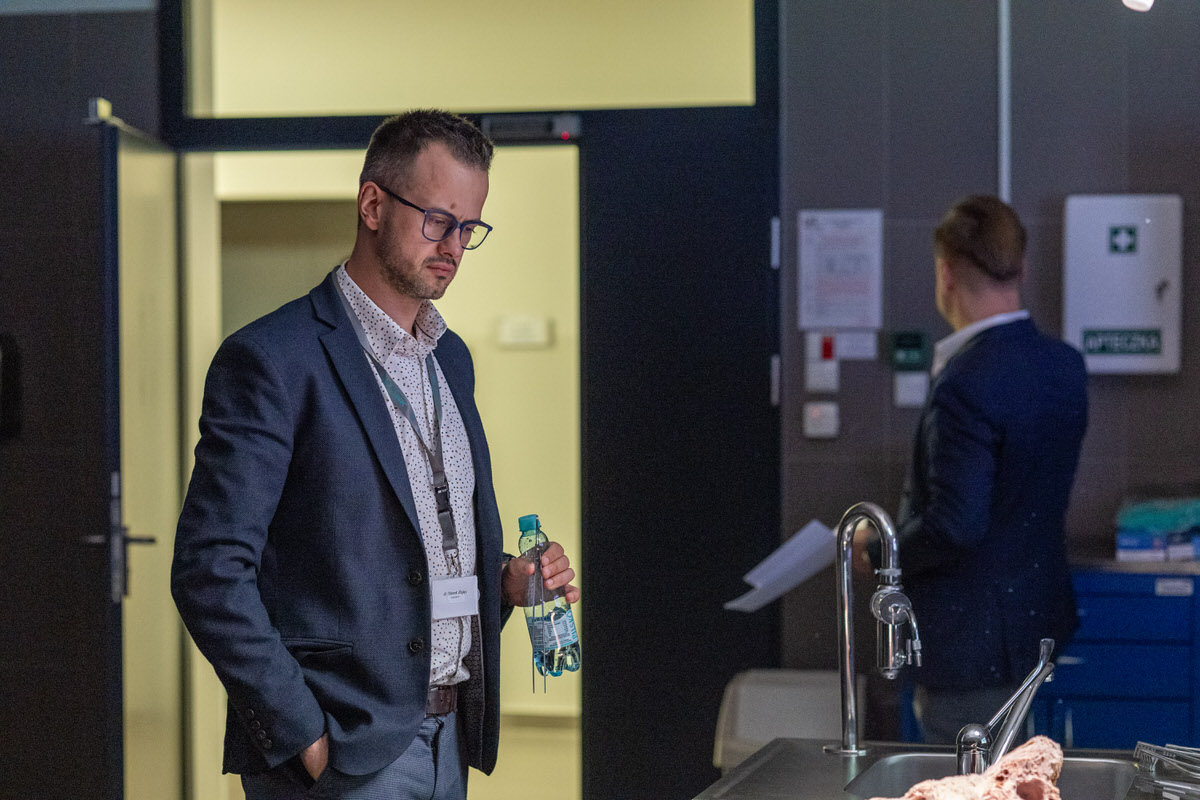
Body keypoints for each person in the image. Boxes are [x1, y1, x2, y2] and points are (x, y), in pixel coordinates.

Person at [171, 109, 579, 800]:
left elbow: (413, 554)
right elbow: (209, 570)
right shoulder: (272, 359)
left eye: (469, 228)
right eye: (438, 220)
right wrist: (303, 735)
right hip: (341, 750)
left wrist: (506, 583)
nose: (453, 246)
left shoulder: (450, 359)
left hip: (450, 736)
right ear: (372, 205)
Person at [854, 195, 1088, 744]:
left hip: (969, 648)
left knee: (968, 778)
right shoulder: (1065, 365)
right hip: (1037, 630)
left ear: (946, 274)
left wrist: (877, 550)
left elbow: (956, 525)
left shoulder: (965, 382)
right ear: (1021, 268)